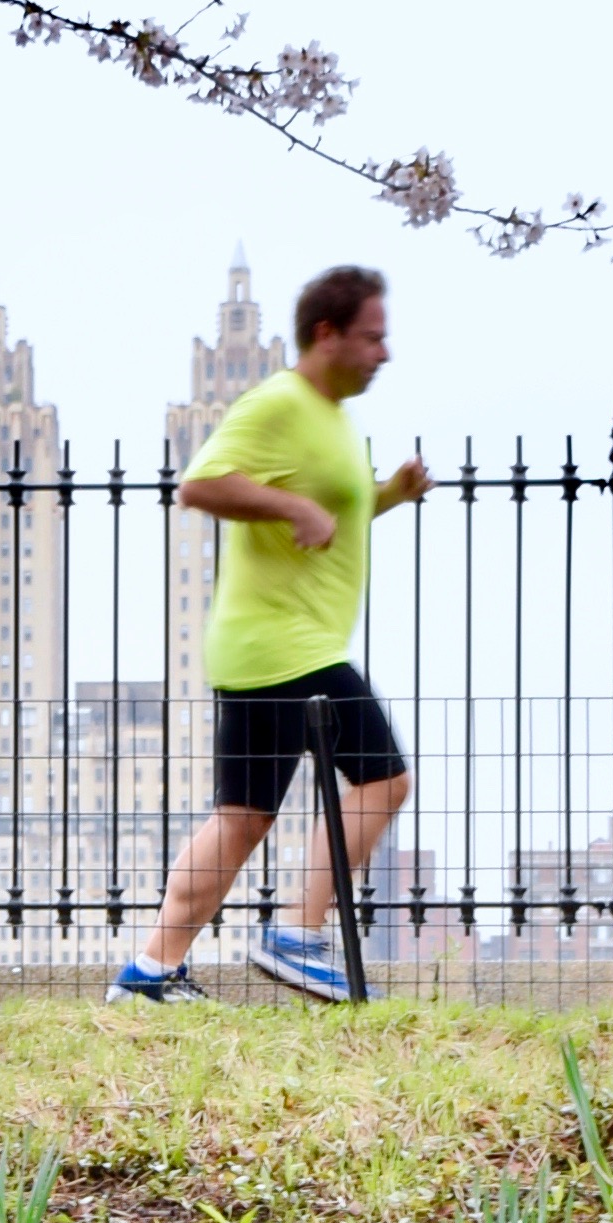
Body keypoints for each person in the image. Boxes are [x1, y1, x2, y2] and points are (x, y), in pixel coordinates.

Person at [114, 262, 429, 1001]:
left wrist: (389, 494)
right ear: (328, 333)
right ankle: (295, 933)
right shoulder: (279, 403)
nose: (384, 354)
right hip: (284, 647)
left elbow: (333, 520)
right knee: (384, 779)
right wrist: (291, 509)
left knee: (243, 818)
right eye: (372, 338)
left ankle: (150, 972)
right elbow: (200, 482)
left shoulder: (335, 420)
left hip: (285, 647)